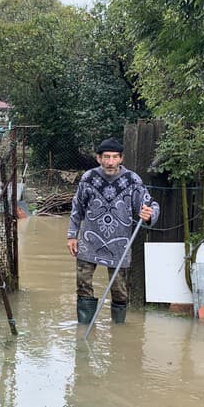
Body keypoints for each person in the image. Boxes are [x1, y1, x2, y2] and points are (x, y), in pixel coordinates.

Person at [67, 138, 159, 324]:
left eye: (115, 157)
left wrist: (149, 214)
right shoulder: (88, 178)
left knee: (119, 290)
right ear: (98, 158)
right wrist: (71, 235)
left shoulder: (132, 180)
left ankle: (118, 329)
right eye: (106, 157)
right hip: (89, 241)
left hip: (120, 244)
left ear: (121, 158)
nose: (110, 162)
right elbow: (77, 208)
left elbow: (150, 204)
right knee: (83, 285)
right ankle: (85, 326)